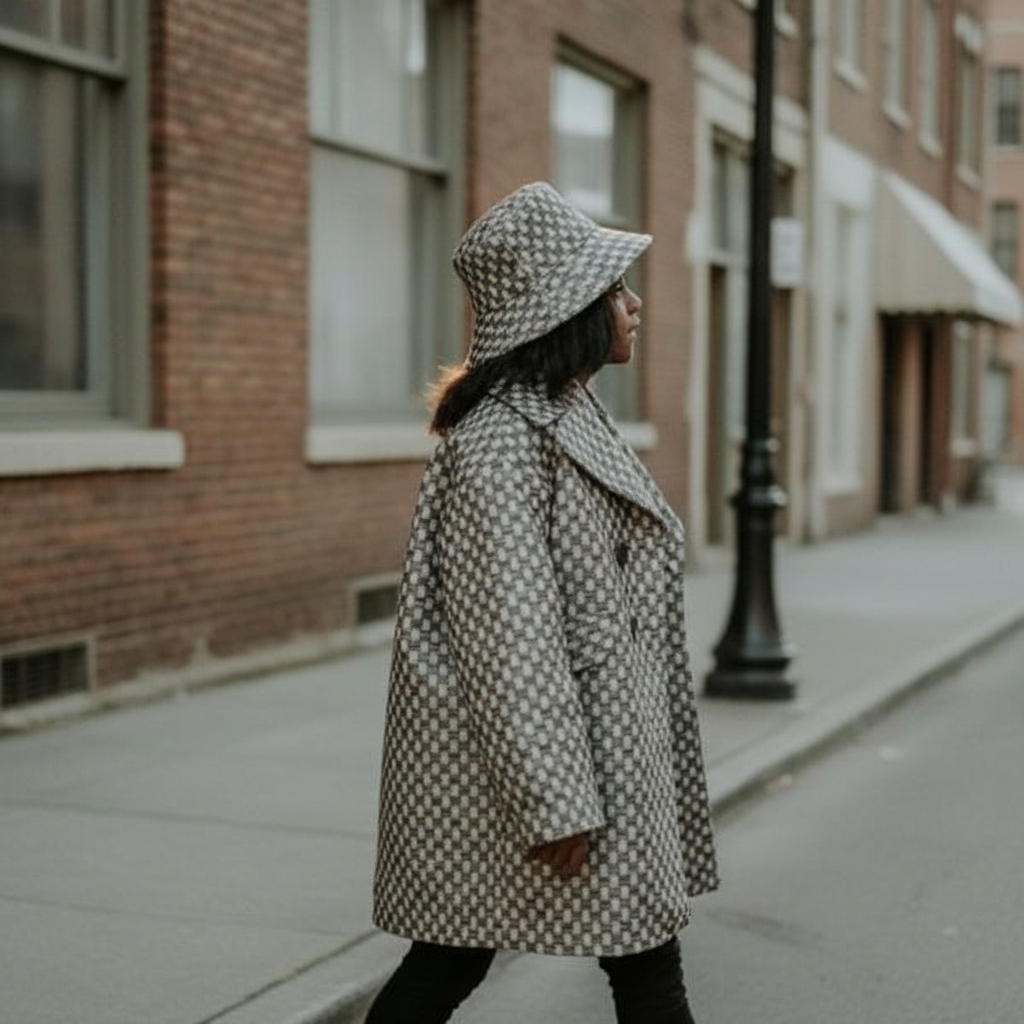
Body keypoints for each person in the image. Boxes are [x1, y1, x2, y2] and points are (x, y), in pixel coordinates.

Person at [367, 182, 719, 1024]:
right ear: (567, 311)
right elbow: (508, 635)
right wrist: (554, 800)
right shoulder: (500, 442)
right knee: (471, 957)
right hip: (551, 758)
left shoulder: (564, 411)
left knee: (481, 953)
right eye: (615, 289)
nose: (634, 304)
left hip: (597, 742)